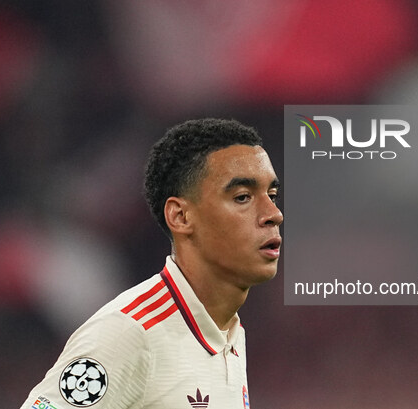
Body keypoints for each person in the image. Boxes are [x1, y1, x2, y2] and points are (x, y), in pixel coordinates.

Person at [20, 118, 283, 409]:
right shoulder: (128, 333)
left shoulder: (229, 335)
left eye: (271, 195)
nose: (273, 214)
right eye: (242, 197)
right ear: (181, 217)